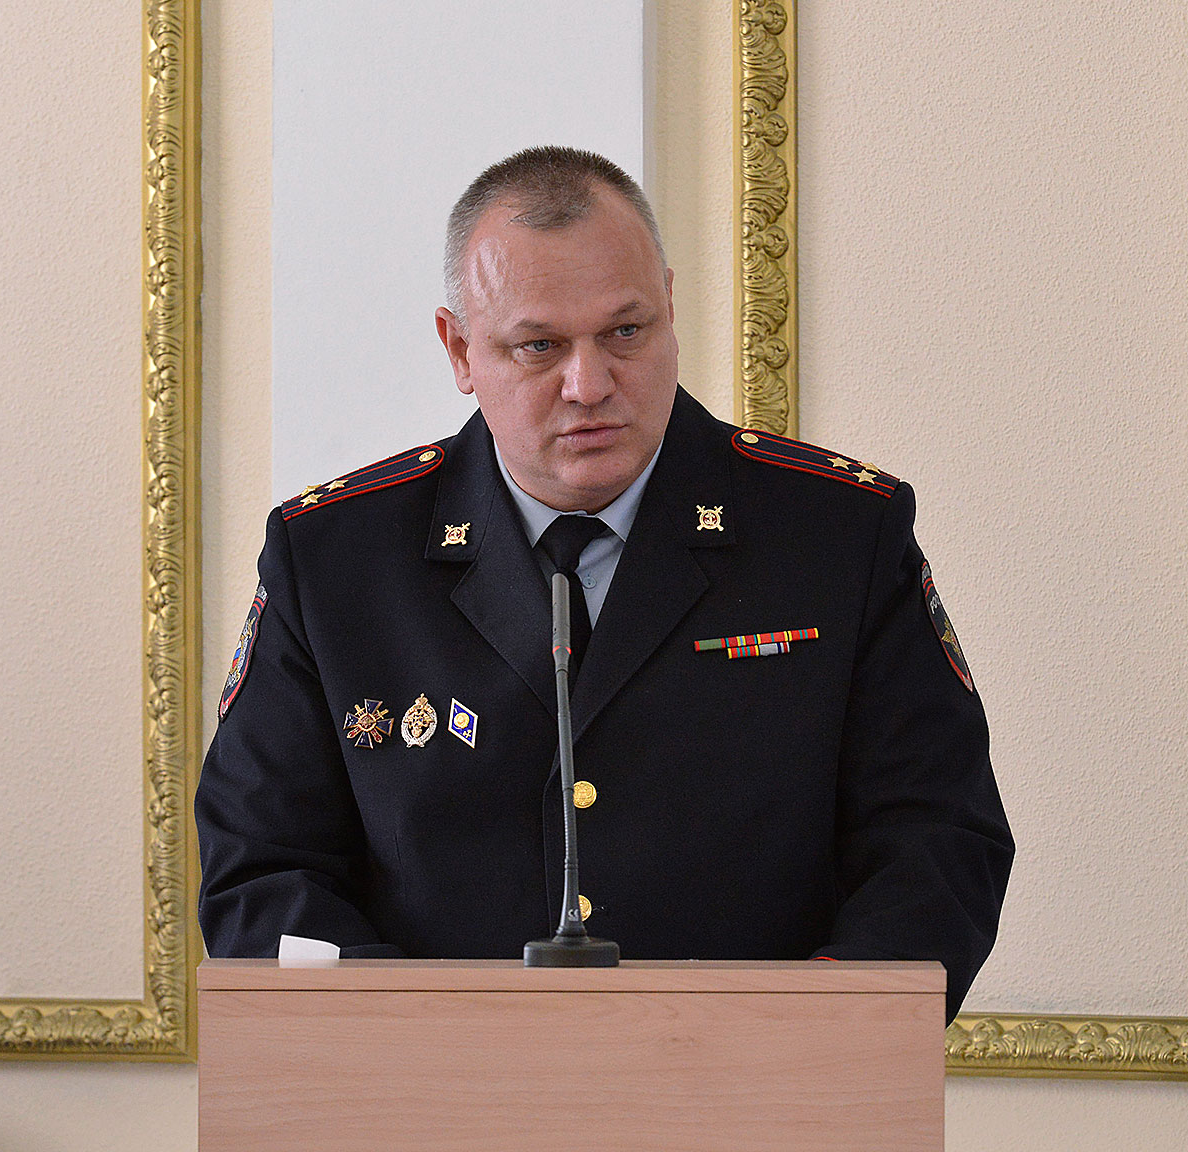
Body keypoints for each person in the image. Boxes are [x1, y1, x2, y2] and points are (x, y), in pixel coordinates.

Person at [197, 146, 1013, 1021]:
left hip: (757, 1077)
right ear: (460, 349)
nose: (588, 386)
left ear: (670, 307)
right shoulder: (335, 559)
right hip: (437, 1083)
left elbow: (935, 842)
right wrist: (434, 1052)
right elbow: (263, 870)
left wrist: (795, 1040)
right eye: (539, 346)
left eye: (625, 333)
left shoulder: (838, 535)